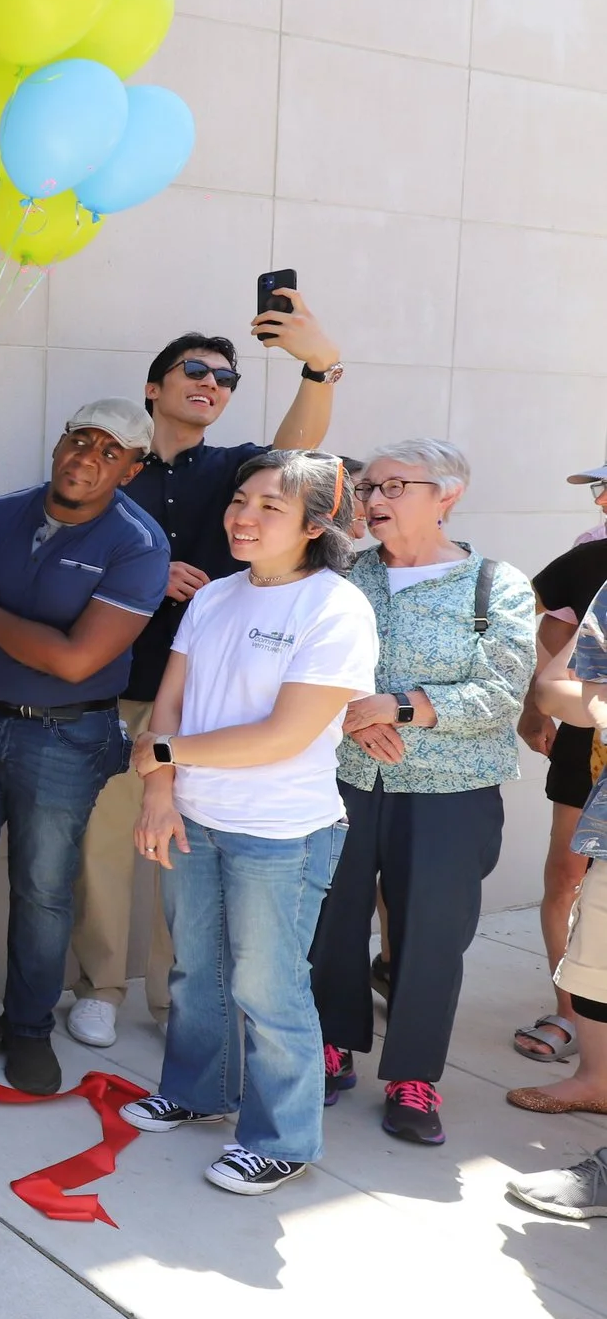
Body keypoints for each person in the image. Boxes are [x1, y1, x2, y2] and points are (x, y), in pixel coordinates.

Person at [70, 293, 346, 1047]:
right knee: (103, 847)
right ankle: (99, 986)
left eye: (225, 378)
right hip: (112, 688)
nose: (211, 384)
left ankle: (174, 1001)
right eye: (195, 371)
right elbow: (67, 552)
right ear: (153, 386)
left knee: (183, 853)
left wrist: (319, 368)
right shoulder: (109, 465)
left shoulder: (234, 470)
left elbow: (298, 453)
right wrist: (143, 572)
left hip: (201, 706)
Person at [119, 452, 379, 1197]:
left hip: (282, 830)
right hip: (196, 815)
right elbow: (170, 703)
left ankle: (281, 1139)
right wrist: (160, 789)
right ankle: (197, 1090)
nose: (244, 517)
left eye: (271, 506)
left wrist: (165, 753)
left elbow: (283, 735)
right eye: (241, 500)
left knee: (269, 985)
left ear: (315, 525)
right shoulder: (214, 596)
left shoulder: (335, 607)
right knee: (196, 969)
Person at [0, 400, 167, 1096]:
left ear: (132, 469)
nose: (87, 457)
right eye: (79, 439)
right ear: (60, 442)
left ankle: (30, 1027)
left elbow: (75, 660)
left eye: (110, 451)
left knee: (42, 887)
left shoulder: (138, 544)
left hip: (67, 733)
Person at [308, 441, 533, 1146]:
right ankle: (331, 1043)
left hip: (451, 791)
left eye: (394, 486)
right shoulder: (344, 574)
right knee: (331, 916)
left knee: (432, 933)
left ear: (448, 495)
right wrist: (357, 714)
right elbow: (306, 662)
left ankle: (414, 1075)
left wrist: (402, 707)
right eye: (368, 488)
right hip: (346, 776)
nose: (374, 500)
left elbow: (501, 693)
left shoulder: (494, 585)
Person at [510, 464, 607, 1068]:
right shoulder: (587, 557)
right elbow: (534, 621)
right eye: (600, 488)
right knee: (567, 875)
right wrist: (532, 706)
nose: (602, 499)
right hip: (585, 741)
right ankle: (569, 1011)